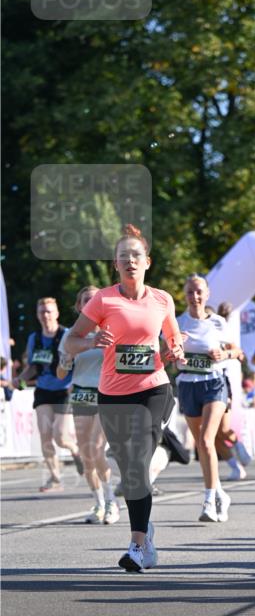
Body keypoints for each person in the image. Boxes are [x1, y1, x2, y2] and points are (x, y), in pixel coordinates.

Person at [64, 224, 184, 573]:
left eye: (135, 255)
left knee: (136, 460)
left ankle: (136, 546)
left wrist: (175, 351)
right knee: (131, 469)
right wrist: (89, 343)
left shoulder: (162, 299)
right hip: (113, 394)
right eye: (122, 257)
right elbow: (72, 341)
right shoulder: (103, 299)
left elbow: (174, 342)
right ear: (115, 265)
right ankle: (146, 534)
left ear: (147, 261)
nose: (129, 261)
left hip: (153, 388)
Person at [58, 286, 120, 524]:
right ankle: (98, 503)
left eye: (96, 300)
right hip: (82, 395)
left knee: (96, 448)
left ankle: (112, 501)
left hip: (106, 394)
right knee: (86, 456)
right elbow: (60, 371)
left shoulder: (112, 329)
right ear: (79, 306)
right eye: (86, 300)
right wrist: (67, 359)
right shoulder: (71, 335)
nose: (91, 303)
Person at [174, 274, 232, 524]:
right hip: (188, 385)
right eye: (190, 292)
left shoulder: (218, 323)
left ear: (207, 294)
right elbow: (167, 353)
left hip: (214, 383)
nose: (195, 297)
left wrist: (223, 353)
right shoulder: (177, 322)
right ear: (184, 295)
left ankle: (209, 500)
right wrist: (175, 355)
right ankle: (220, 492)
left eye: (199, 292)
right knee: (201, 443)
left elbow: (237, 351)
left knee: (207, 440)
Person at [17, 297, 83, 491]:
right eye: (41, 312)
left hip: (64, 389)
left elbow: (77, 362)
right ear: (37, 315)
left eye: (48, 311)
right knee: (45, 437)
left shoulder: (66, 334)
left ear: (56, 313)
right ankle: (55, 479)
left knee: (61, 437)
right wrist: (19, 378)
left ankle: (75, 450)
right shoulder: (34, 338)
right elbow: (32, 367)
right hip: (43, 390)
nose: (45, 315)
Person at [214, 300, 251, 480]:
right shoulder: (194, 332)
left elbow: (240, 354)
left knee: (223, 428)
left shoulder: (222, 334)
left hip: (221, 383)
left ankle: (239, 447)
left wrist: (229, 354)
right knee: (211, 436)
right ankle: (236, 467)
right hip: (196, 385)